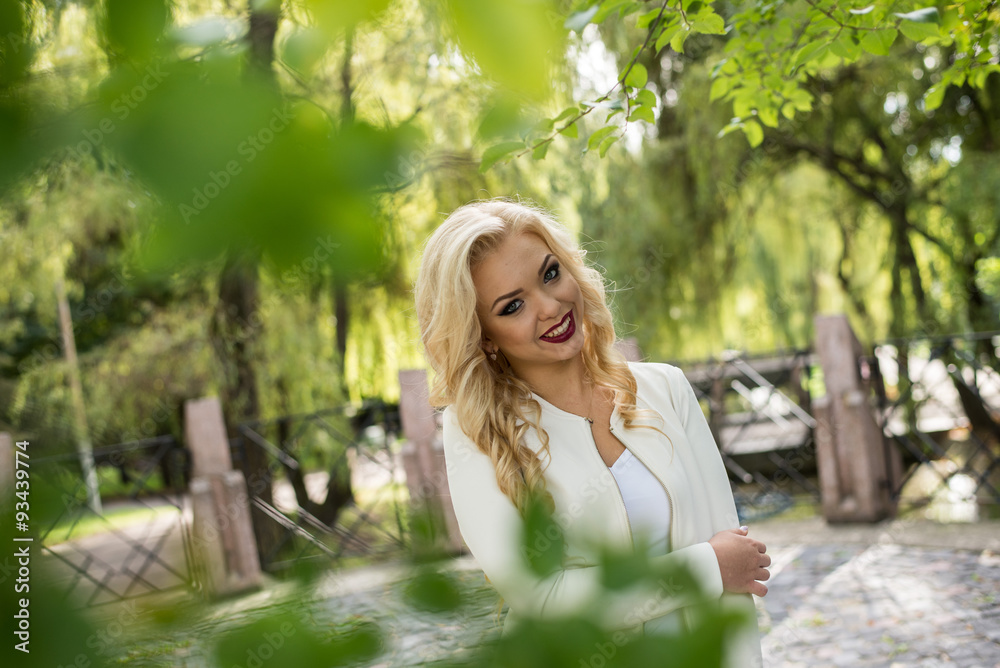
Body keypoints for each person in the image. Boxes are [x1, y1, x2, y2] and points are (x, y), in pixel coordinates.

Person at [414, 198, 768, 667]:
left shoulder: (667, 389)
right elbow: (544, 600)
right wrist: (706, 568)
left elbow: (735, 571)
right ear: (484, 336)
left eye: (550, 274)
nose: (550, 306)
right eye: (513, 306)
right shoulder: (477, 431)